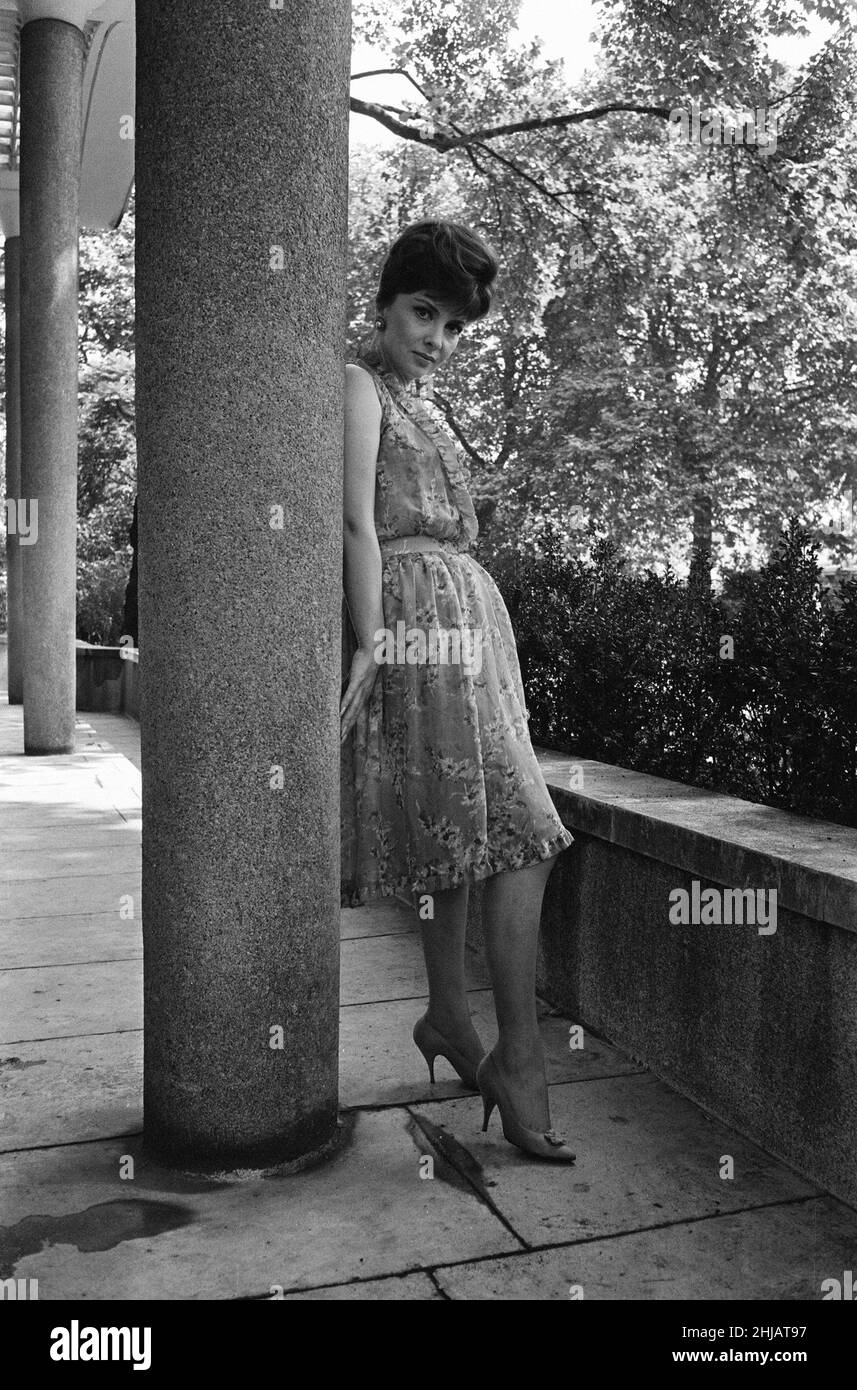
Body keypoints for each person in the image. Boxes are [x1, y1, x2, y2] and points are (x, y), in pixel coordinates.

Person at [340, 220, 576, 1162]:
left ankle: (446, 1013)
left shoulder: (423, 398)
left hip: (466, 624)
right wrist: (369, 642)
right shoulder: (358, 383)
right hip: (414, 625)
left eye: (451, 325)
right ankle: (518, 1056)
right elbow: (355, 523)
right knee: (524, 833)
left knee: (456, 838)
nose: (434, 337)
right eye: (422, 313)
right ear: (387, 303)